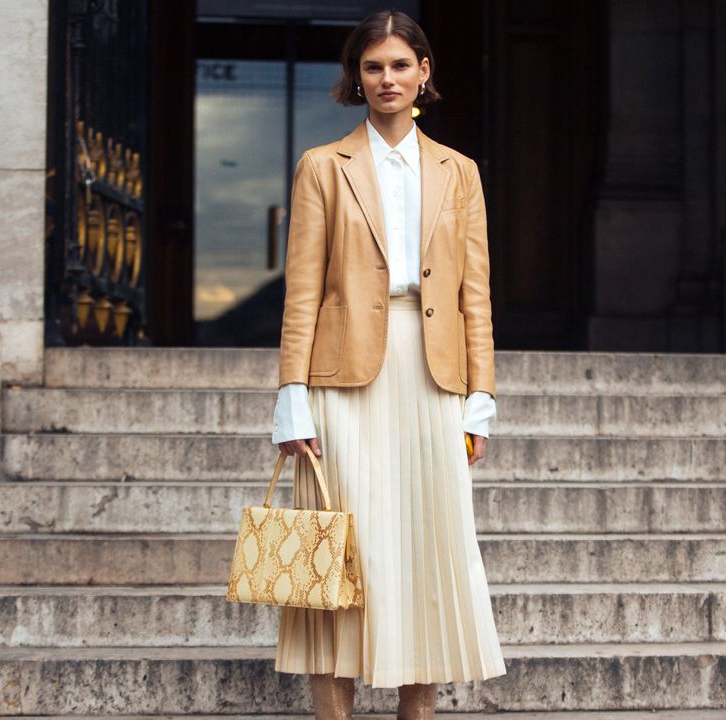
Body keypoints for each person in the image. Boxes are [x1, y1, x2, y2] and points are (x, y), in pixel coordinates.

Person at [270, 9, 506, 719]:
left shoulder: (459, 173)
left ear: (424, 72)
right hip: (342, 377)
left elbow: (475, 294)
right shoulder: (323, 166)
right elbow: (303, 291)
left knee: (426, 553)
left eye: (401, 64)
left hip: (433, 375)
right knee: (342, 554)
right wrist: (292, 395)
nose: (387, 78)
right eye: (373, 67)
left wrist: (480, 396)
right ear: (356, 77)